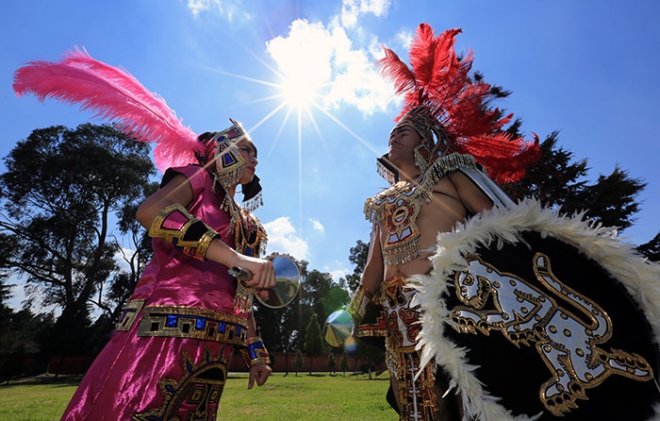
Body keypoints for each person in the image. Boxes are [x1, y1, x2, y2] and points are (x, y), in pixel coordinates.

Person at [13, 50, 276, 420]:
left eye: (257, 153)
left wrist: (255, 353)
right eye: (247, 148)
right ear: (220, 147)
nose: (254, 158)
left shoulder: (250, 224)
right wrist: (236, 258)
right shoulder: (196, 178)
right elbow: (151, 212)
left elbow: (242, 293)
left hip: (216, 343)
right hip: (161, 330)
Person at [345, 25, 540, 420]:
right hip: (396, 314)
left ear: (426, 139)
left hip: (449, 305)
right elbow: (373, 268)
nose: (394, 136)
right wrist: (352, 314)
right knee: (408, 400)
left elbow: (498, 227)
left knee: (453, 398)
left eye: (403, 130)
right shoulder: (380, 202)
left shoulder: (452, 176)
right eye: (392, 133)